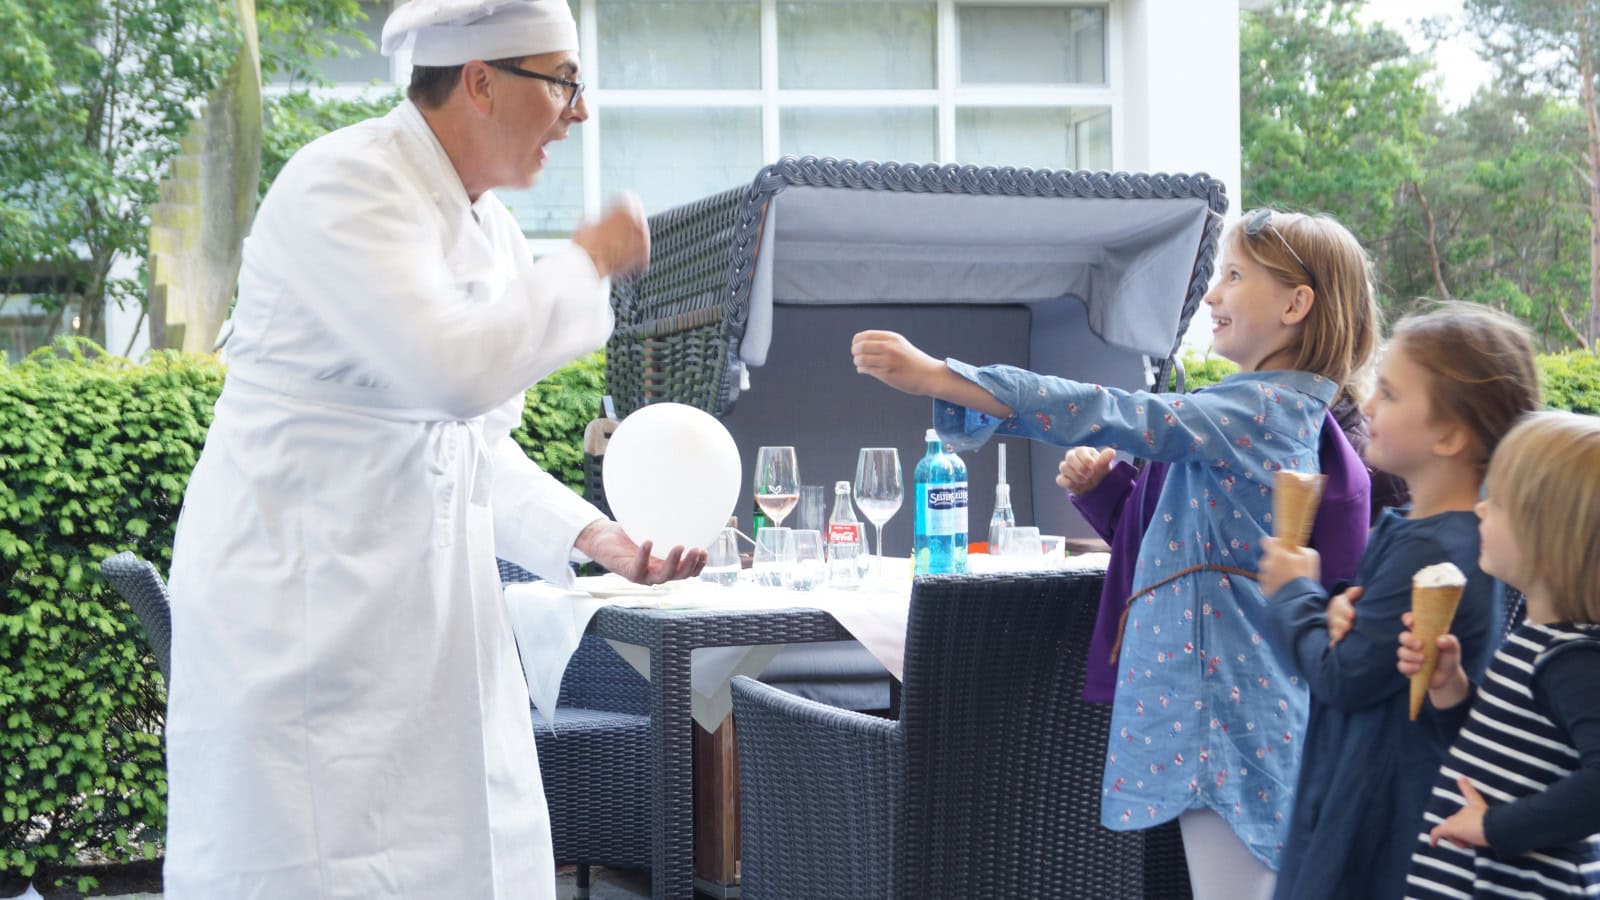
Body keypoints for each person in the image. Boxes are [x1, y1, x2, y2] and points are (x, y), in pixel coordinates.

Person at [163, 1, 706, 896]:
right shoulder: (345, 182)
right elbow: (451, 372)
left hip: (422, 626)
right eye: (564, 82)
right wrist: (585, 263)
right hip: (304, 619)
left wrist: (592, 537)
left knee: (458, 862)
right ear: (482, 81)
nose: (579, 114)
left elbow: (471, 442)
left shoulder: (487, 229)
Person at [852, 207, 1381, 900]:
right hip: (1226, 705)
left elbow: (1111, 411)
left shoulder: (1260, 411)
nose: (1212, 295)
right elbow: (1189, 535)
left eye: (1232, 275)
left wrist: (941, 378)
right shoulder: (1258, 411)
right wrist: (1110, 490)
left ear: (1296, 303)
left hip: (1225, 710)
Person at [1254, 305, 1541, 900]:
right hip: (1367, 794)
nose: (1371, 407)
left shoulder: (1439, 545)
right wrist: (1334, 606)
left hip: (1379, 818)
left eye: (1389, 392)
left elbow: (1344, 677)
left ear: (1451, 435)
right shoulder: (1424, 528)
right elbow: (1368, 642)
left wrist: (1292, 594)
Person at [1399, 411, 1600, 898]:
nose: (1481, 511)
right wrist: (1451, 689)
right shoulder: (1536, 638)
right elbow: (1498, 760)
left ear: (1548, 535)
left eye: (1498, 503)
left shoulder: (1574, 660)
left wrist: (1496, 829)